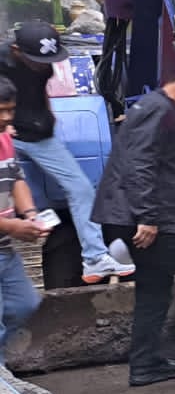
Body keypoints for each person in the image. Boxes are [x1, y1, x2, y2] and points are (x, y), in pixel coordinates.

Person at [91, 71, 175, 386]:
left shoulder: (156, 108)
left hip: (138, 215)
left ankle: (145, 365)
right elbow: (139, 163)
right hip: (148, 219)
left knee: (154, 291)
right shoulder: (158, 110)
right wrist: (146, 217)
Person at [1, 19, 135, 284]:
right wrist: (5, 128)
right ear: (16, 50)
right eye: (36, 60)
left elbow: (40, 91)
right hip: (6, 136)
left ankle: (95, 258)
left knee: (81, 188)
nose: (42, 65)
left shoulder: (43, 62)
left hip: (39, 135)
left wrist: (49, 116)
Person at [0, 77, 47, 368]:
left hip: (4, 249)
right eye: (0, 110)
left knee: (26, 303)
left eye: (10, 110)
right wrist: (13, 227)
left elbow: (16, 177)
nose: (6, 117)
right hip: (6, 235)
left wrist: (29, 214)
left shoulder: (5, 137)